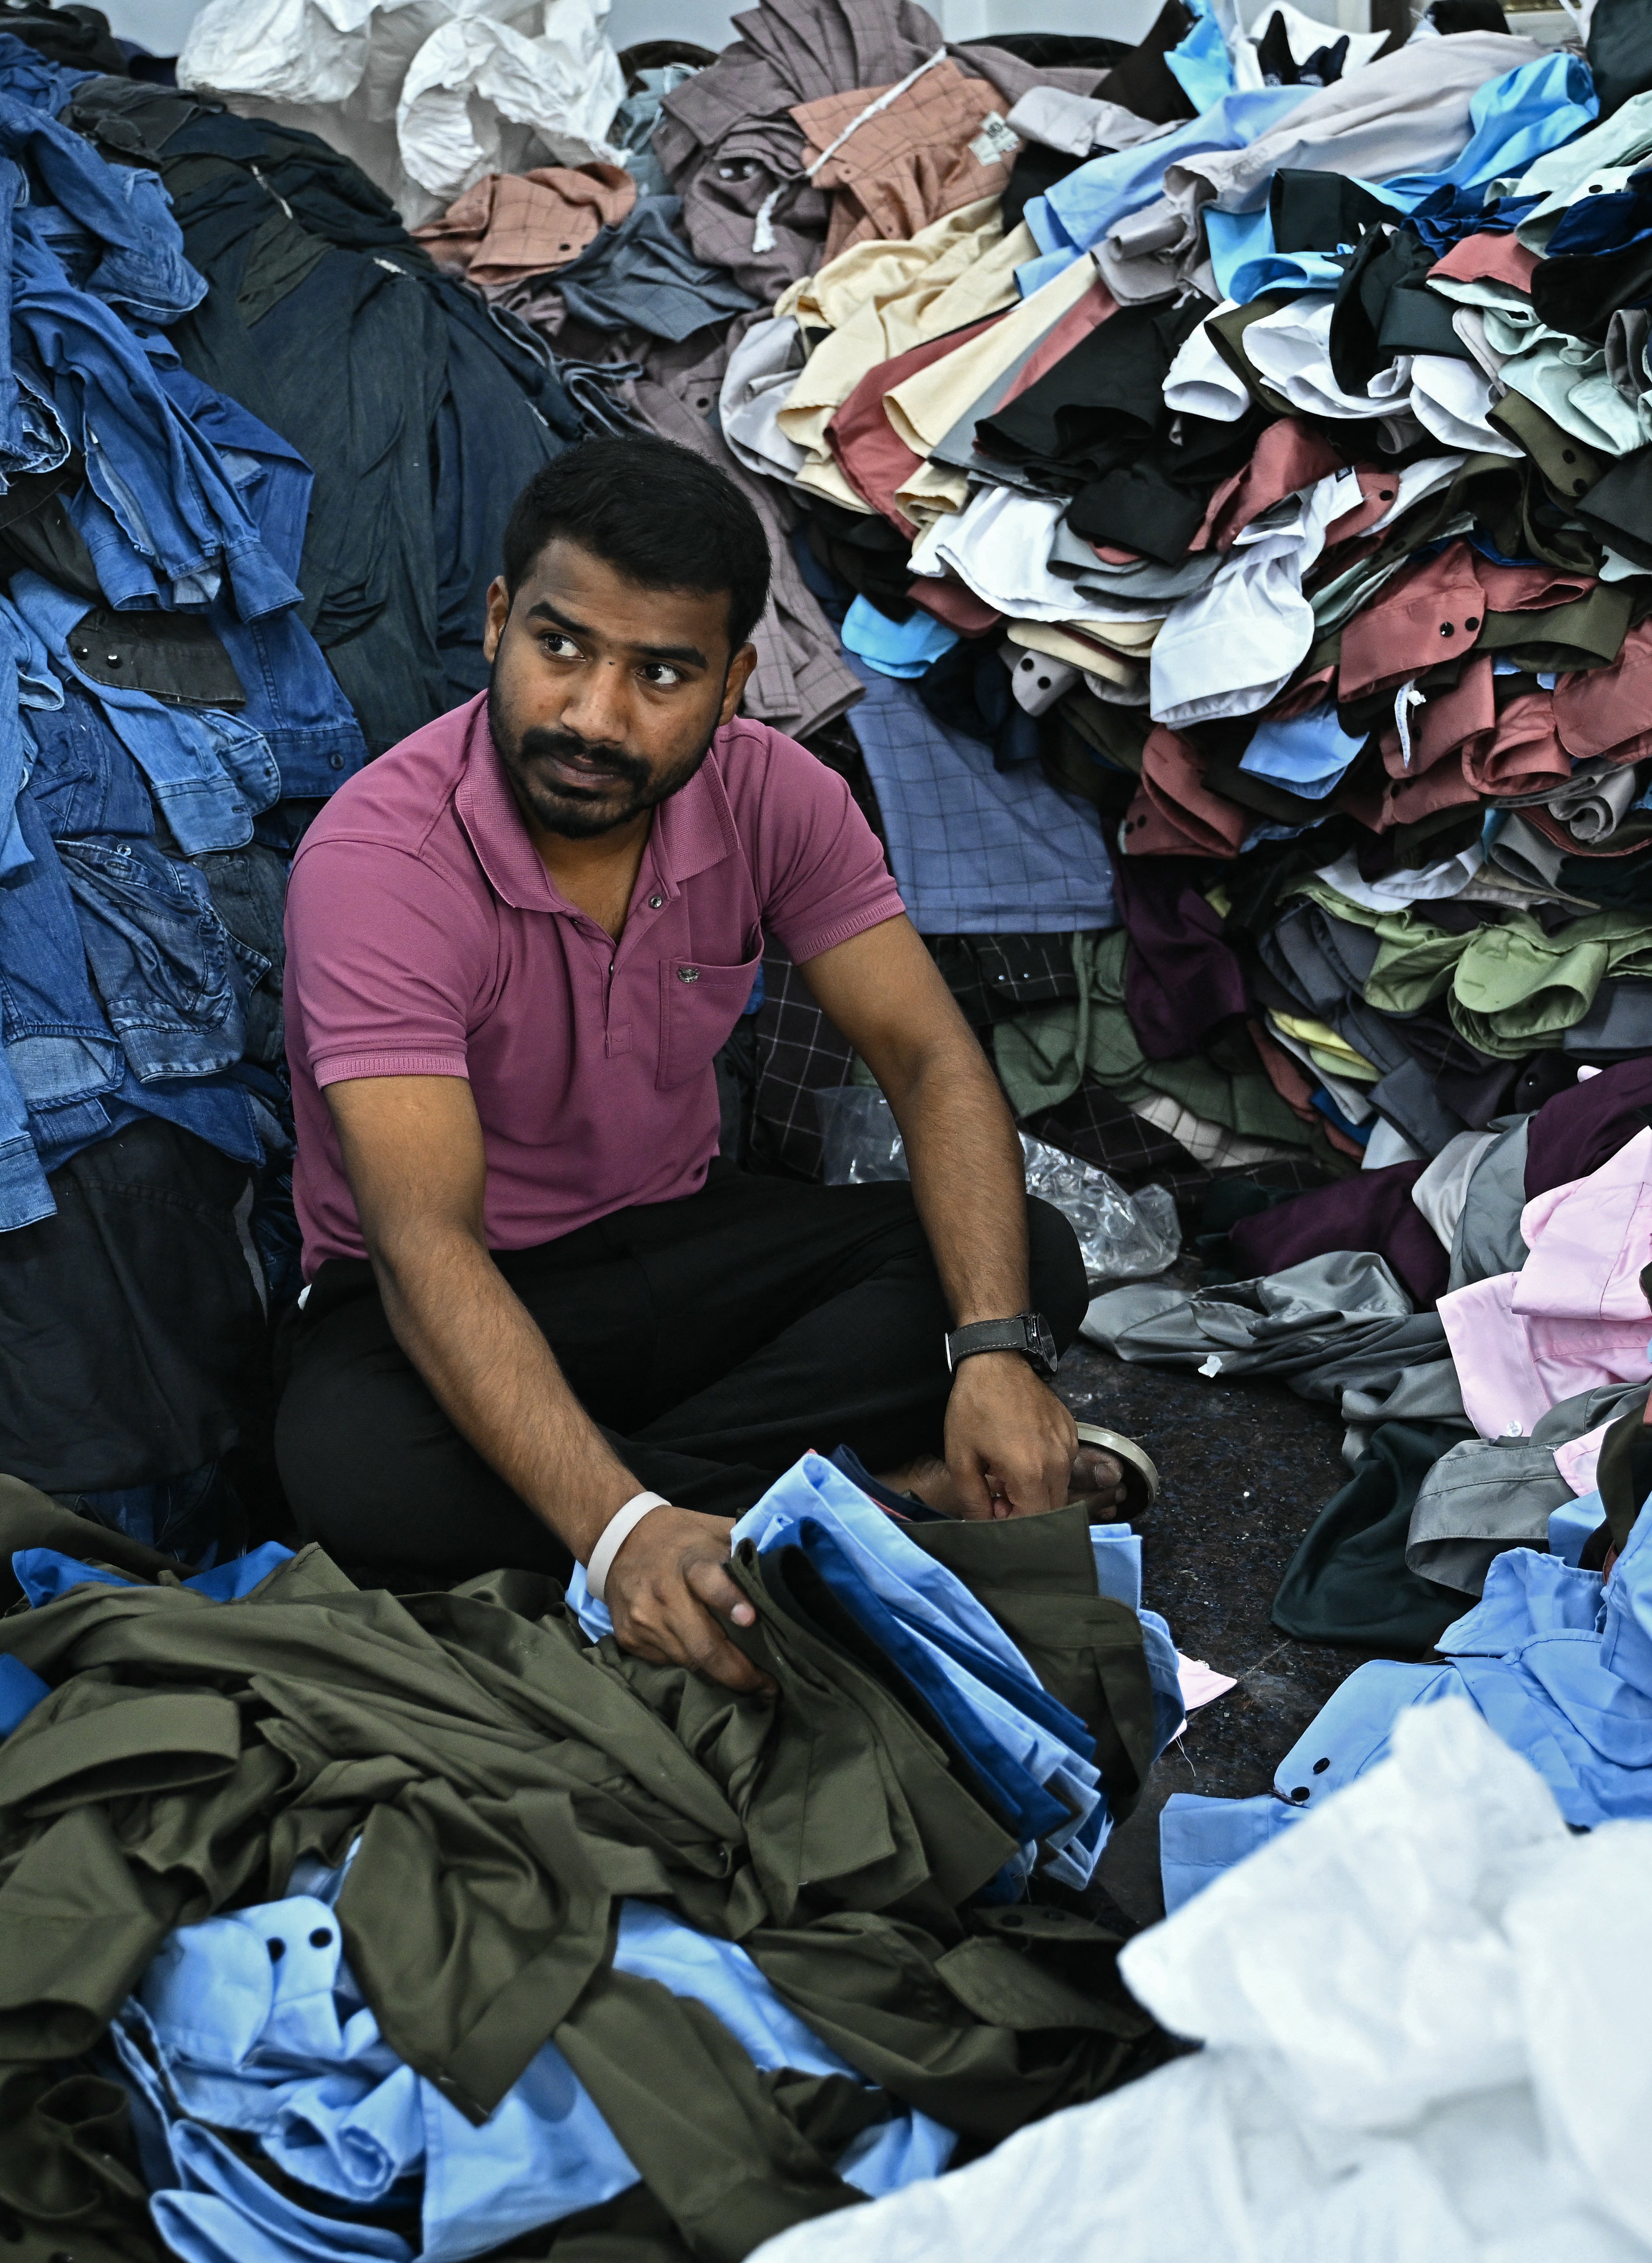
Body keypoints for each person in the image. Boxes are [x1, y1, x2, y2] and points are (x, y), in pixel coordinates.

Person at [277, 435, 1144, 1694]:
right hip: (437, 1294)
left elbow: (929, 1057)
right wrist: (620, 1530)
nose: (590, 716)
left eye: (660, 673)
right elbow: (424, 1244)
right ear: (498, 622)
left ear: (735, 683)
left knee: (1016, 1267)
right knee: (357, 1471)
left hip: (680, 1248)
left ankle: (692, 1519)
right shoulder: (381, 866)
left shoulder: (776, 796)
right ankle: (863, 1504)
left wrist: (998, 1352)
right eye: (560, 647)